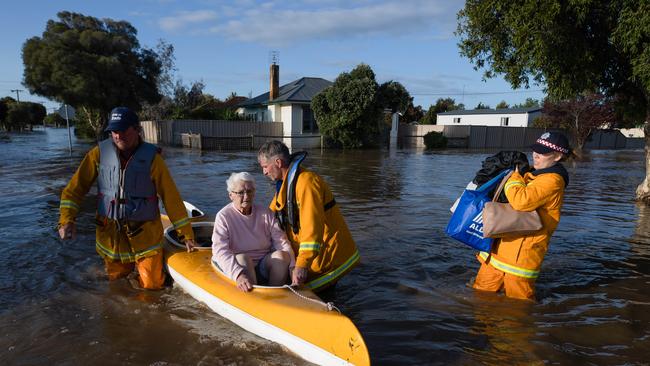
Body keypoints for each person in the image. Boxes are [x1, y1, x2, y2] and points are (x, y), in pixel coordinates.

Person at [58, 107, 196, 290]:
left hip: (145, 234)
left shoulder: (153, 159)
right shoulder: (97, 154)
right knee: (117, 285)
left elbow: (171, 197)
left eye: (124, 130)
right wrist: (67, 220)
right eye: (114, 131)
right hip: (111, 235)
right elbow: (74, 190)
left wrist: (186, 234)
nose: (118, 135)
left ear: (137, 129)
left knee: (152, 286)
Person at [472, 131, 571, 301]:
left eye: (543, 153)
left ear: (557, 156)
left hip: (521, 256)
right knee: (481, 295)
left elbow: (521, 201)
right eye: (535, 150)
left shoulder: (553, 180)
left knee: (518, 307)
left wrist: (514, 176)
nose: (536, 156)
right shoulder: (535, 173)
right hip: (499, 249)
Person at [257, 140, 360, 291]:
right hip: (314, 255)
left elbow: (312, 229)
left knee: (317, 294)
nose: (264, 172)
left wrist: (301, 264)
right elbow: (270, 215)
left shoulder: (307, 184)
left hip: (328, 257)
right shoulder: (286, 184)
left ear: (278, 162)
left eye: (265, 167)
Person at [211, 172, 294, 292]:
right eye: (240, 193)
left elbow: (282, 242)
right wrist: (238, 275)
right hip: (239, 264)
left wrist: (293, 267)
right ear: (231, 195)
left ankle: (275, 294)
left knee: (282, 256)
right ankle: (254, 297)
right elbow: (220, 251)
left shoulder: (266, 213)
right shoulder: (223, 216)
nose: (246, 196)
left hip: (262, 265)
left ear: (254, 193)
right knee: (244, 259)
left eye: (249, 191)